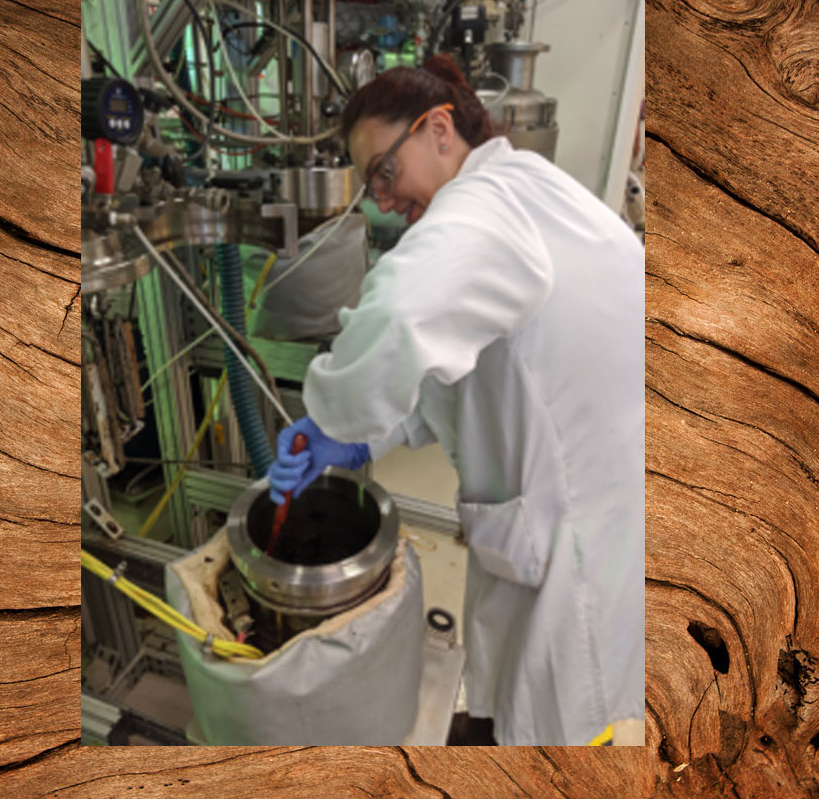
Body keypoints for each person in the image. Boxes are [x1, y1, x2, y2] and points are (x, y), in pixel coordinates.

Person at [266, 55, 644, 746]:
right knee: (520, 683)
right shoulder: (519, 185)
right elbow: (471, 360)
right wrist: (366, 439)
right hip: (574, 498)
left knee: (556, 721)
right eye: (370, 183)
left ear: (439, 128)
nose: (381, 199)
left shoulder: (484, 206)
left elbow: (403, 314)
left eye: (384, 170)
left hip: (574, 530)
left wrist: (330, 410)